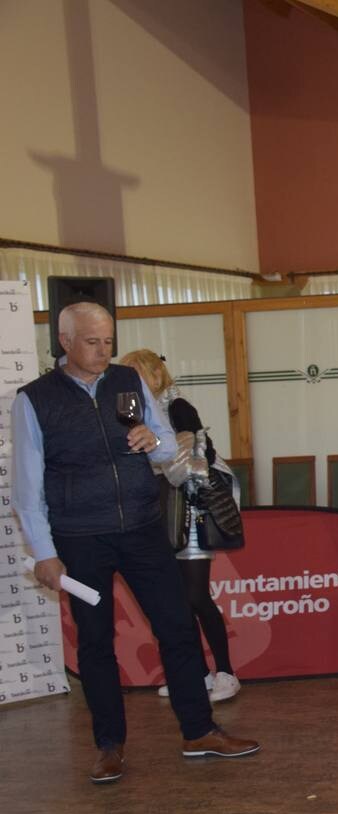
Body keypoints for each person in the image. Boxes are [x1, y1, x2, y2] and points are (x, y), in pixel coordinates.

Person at [12, 302, 260, 784]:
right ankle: (109, 747)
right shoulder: (34, 400)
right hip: (79, 537)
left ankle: (199, 731)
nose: (104, 351)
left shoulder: (130, 381)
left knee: (177, 626)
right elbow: (26, 484)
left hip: (143, 529)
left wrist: (154, 439)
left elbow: (169, 447)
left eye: (108, 341)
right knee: (96, 642)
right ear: (65, 342)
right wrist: (44, 552)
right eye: (92, 342)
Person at [121, 349, 242, 703]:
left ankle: (226, 673)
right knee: (176, 600)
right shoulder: (132, 413)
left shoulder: (177, 408)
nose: (131, 382)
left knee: (195, 595)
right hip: (162, 513)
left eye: (136, 374)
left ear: (155, 375)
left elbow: (187, 457)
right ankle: (196, 674)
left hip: (191, 511)